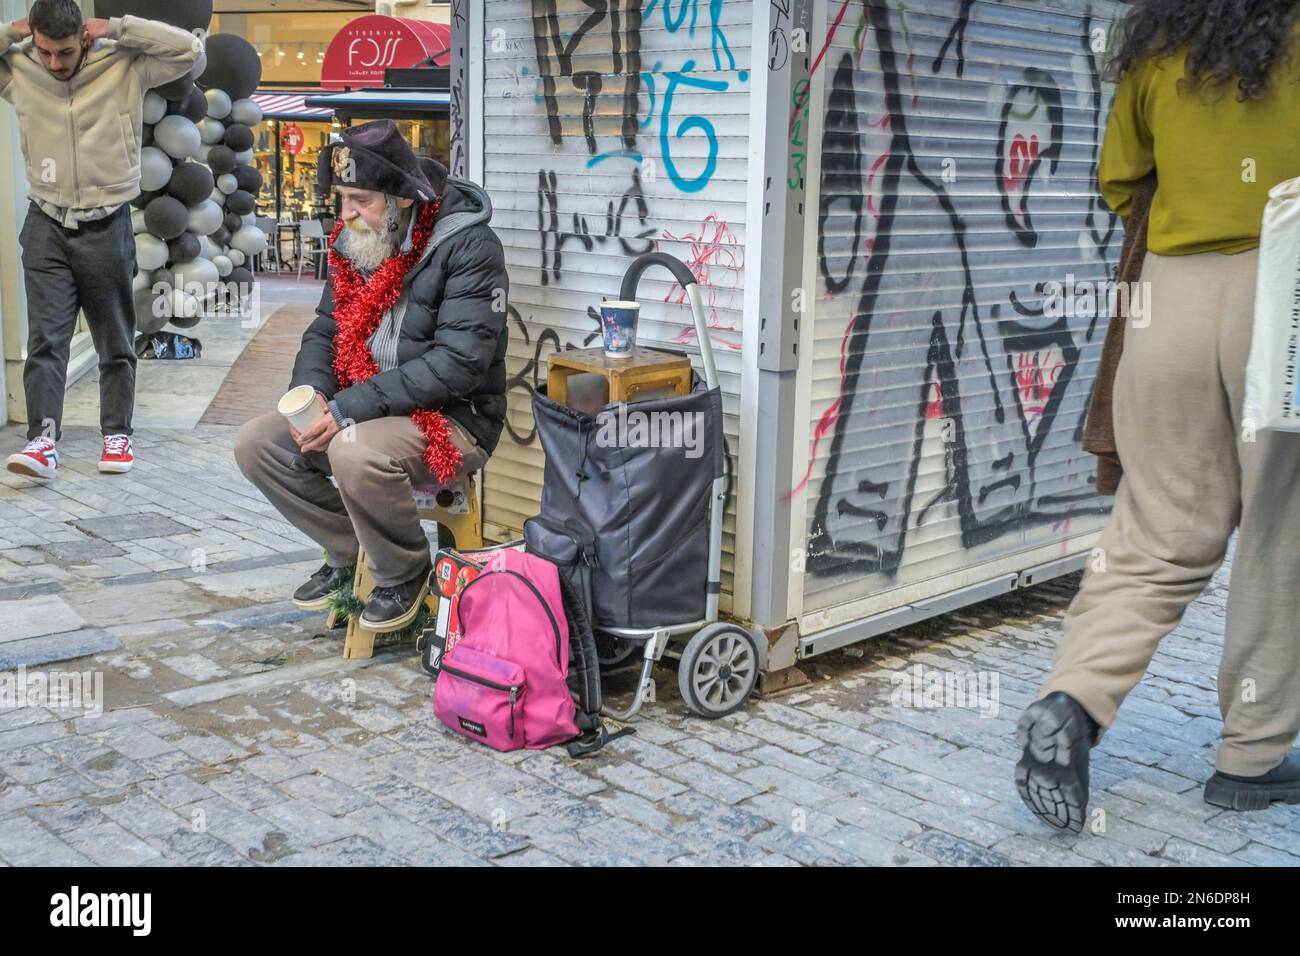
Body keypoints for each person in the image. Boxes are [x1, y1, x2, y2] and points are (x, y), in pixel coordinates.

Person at [1016, 0, 1300, 830]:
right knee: (1282, 532)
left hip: (1166, 301)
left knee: (1155, 527)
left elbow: (1120, 181)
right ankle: (1252, 752)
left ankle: (1073, 700)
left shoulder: (1158, 39)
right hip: (1285, 298)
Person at [234, 119, 509, 634]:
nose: (347, 215)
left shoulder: (470, 247)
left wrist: (345, 412)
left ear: (403, 198)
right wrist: (314, 392)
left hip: (453, 417)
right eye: (341, 199)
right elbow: (326, 328)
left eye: (360, 199)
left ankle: (405, 572)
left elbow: (460, 363)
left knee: (352, 447)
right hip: (364, 404)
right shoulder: (355, 240)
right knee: (257, 443)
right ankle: (350, 548)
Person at [0, 0, 201, 479]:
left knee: (113, 337)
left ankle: (117, 434)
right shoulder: (21, 69)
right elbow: (29, 51)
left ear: (84, 38)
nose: (55, 64)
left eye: (64, 52)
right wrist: (12, 31)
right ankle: (43, 442)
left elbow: (189, 50)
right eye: (45, 51)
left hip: (106, 223)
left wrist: (118, 26)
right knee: (46, 339)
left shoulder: (123, 63)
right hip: (45, 222)